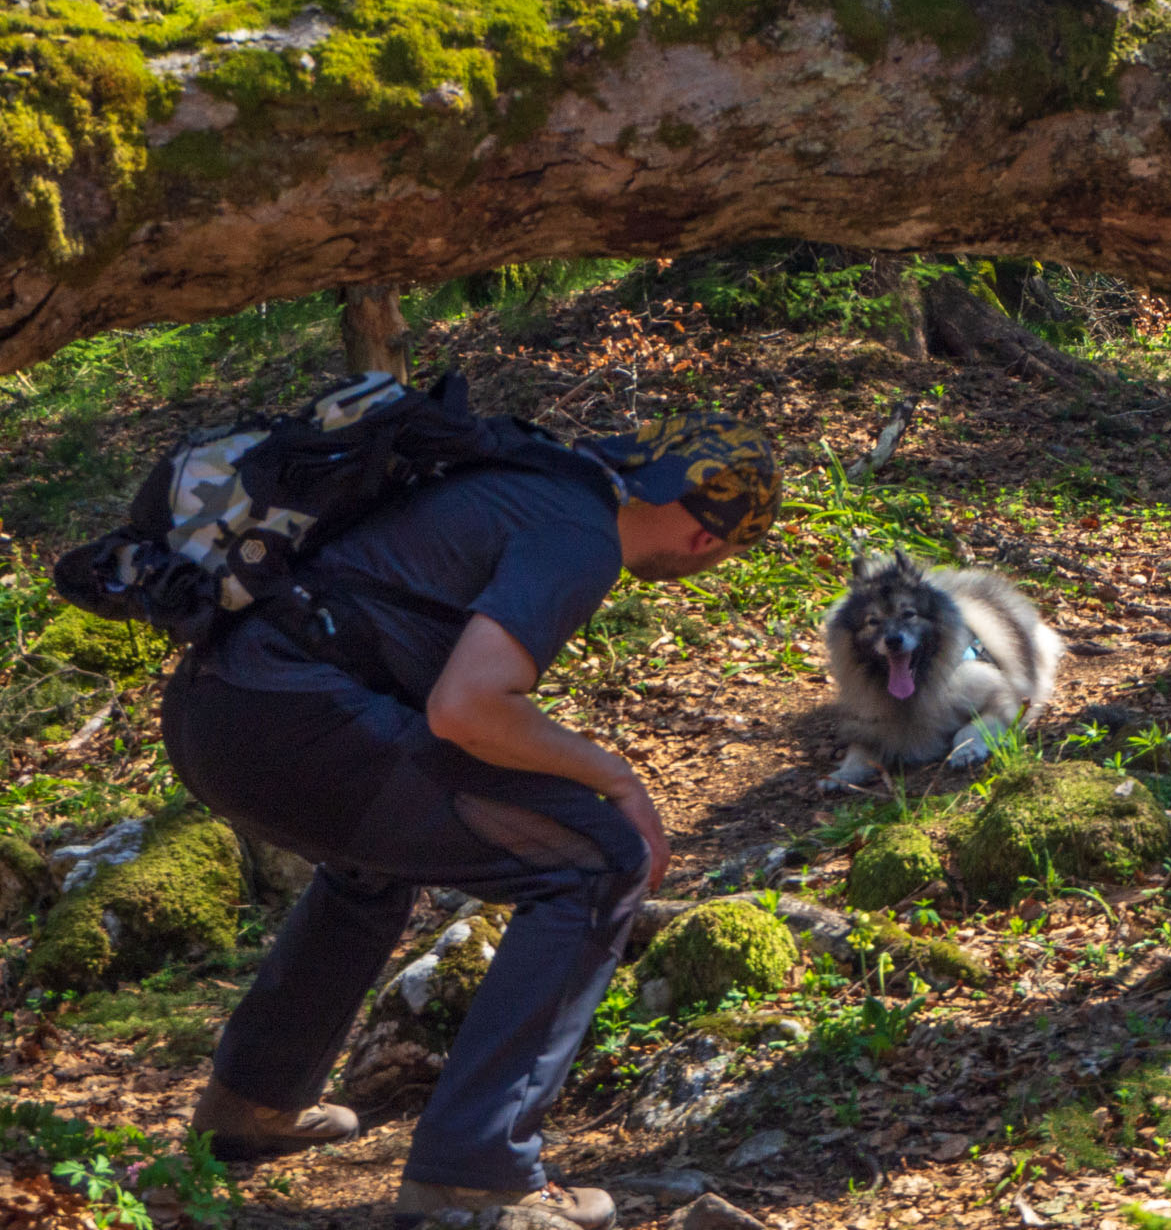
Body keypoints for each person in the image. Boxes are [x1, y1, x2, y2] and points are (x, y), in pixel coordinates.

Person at [159, 410, 781, 1230]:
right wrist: (619, 780)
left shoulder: (530, 482)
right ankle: (475, 1173)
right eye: (727, 549)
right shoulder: (578, 531)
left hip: (218, 714)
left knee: (371, 870)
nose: (711, 562)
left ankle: (251, 1105)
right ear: (707, 534)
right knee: (602, 859)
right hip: (297, 723)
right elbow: (468, 708)